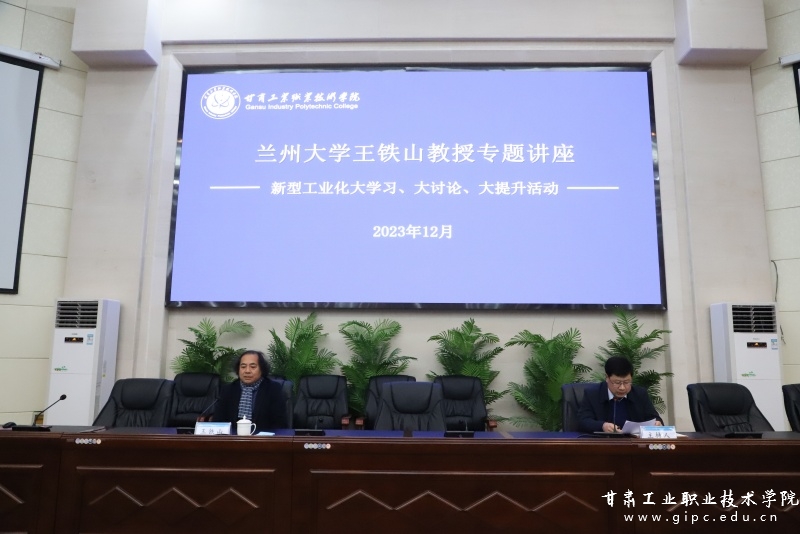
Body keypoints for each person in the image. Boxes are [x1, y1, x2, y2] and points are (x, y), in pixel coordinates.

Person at [577, 356, 663, 433]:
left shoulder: (640, 394)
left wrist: (657, 423)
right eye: (617, 382)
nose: (622, 388)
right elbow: (583, 421)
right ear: (607, 378)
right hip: (603, 443)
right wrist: (602, 426)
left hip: (633, 443)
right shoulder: (592, 394)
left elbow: (654, 418)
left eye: (627, 382)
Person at [213, 350, 287, 432]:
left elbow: (279, 424)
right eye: (243, 367)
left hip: (263, 438)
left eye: (253, 367)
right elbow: (218, 421)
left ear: (262, 369)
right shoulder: (229, 389)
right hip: (233, 437)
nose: (247, 371)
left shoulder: (273, 389)